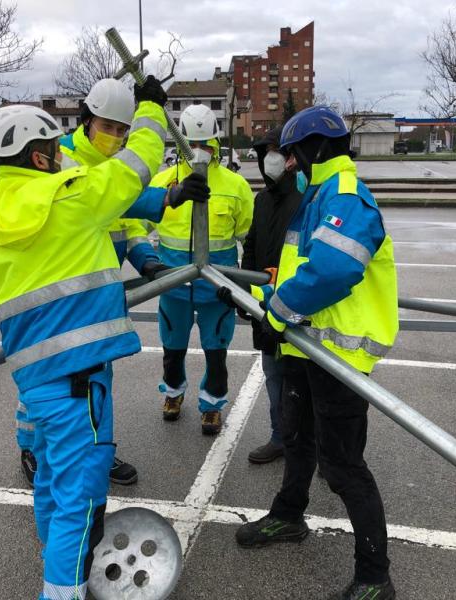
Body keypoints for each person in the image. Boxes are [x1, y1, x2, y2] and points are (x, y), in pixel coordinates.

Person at [0, 77, 208, 600]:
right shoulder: (69, 200)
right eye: (53, 151)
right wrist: (150, 110)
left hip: (38, 383)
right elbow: (136, 164)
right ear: (39, 158)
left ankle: (54, 558)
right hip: (80, 381)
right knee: (80, 503)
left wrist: (156, 218)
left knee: (52, 485)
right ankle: (62, 589)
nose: (61, 158)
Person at [233, 106, 399, 600]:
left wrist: (277, 313)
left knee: (343, 465)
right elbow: (297, 271)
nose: (287, 163)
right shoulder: (317, 196)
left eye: (293, 154)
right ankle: (289, 515)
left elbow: (332, 271)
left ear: (317, 149)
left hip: (337, 357)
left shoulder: (345, 195)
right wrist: (261, 299)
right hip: (306, 349)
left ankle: (374, 577)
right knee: (297, 439)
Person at [15, 79, 192, 488]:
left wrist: (147, 260)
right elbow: (112, 195)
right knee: (43, 381)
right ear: (86, 120)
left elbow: (124, 221)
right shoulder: (64, 160)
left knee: (97, 381)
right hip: (56, 295)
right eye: (107, 126)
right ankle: (32, 449)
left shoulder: (106, 167)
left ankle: (99, 452)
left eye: (122, 130)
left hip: (92, 297)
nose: (114, 136)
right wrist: (165, 197)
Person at [149, 104, 254, 435]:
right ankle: (173, 393)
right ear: (180, 143)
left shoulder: (236, 186)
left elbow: (248, 236)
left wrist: (247, 281)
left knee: (216, 353)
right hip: (173, 287)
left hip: (217, 289)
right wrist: (148, 261)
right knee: (172, 349)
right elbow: (138, 225)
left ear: (217, 143)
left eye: (205, 144)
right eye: (192, 144)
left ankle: (211, 405)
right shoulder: (163, 183)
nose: (198, 151)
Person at [235, 127, 302, 463]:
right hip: (265, 308)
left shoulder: (306, 198)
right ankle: (280, 438)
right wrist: (245, 296)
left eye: (276, 150)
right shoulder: (261, 200)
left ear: (291, 158)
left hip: (297, 309)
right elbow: (251, 246)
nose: (270, 158)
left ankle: (312, 447)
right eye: (265, 152)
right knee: (273, 377)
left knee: (302, 382)